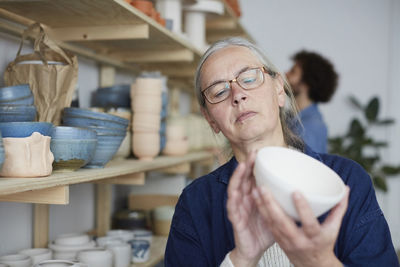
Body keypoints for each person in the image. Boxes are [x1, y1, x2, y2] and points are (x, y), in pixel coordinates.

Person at [164, 37, 398, 266]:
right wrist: (242, 259)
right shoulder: (195, 203)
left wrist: (319, 261)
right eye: (219, 92)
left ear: (278, 90)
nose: (237, 95)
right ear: (210, 120)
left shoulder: (348, 181)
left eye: (248, 78)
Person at [286, 50, 338, 154]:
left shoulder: (311, 127)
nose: (286, 74)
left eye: (293, 72)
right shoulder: (292, 116)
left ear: (306, 82)